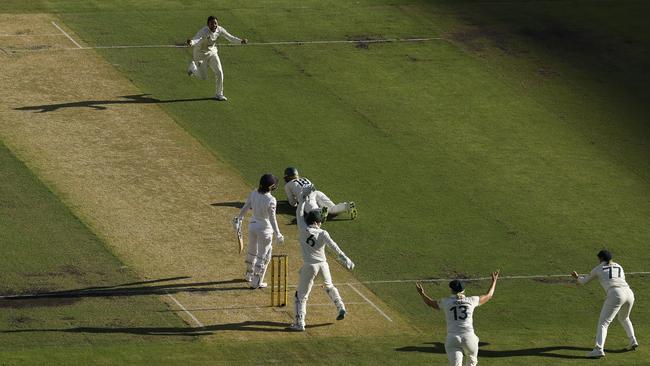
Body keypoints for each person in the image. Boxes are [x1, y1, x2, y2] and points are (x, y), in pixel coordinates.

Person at [288, 188, 355, 331]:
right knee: (329, 287)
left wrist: (302, 201)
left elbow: (299, 213)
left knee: (301, 296)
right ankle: (341, 306)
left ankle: (300, 323)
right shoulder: (323, 233)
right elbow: (334, 246)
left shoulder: (302, 228)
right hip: (323, 265)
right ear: (318, 222)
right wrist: (345, 258)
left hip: (310, 266)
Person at [416, 271, 499, 366]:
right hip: (469, 338)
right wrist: (494, 281)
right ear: (463, 290)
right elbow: (489, 295)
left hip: (452, 339)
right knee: (472, 362)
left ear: (451, 290)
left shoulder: (446, 302)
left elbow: (430, 303)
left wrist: (422, 293)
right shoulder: (472, 300)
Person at [571, 250, 638, 358]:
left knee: (603, 323)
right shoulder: (619, 266)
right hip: (629, 293)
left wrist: (577, 277)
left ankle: (598, 349)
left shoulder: (598, 268)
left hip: (616, 293)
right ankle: (632, 340)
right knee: (624, 318)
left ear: (601, 258)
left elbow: (583, 281)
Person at [234, 174, 284, 289]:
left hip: (253, 226)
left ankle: (248, 274)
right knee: (264, 256)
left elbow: (246, 206)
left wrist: (239, 218)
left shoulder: (254, 192)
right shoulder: (271, 200)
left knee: (252, 250)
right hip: (265, 230)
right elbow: (272, 218)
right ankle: (256, 281)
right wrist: (278, 234)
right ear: (271, 186)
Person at [186, 15, 248, 101]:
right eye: (212, 24)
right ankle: (192, 68)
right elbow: (196, 39)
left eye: (215, 23)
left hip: (212, 53)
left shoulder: (220, 29)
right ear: (208, 25)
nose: (214, 25)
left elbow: (230, 37)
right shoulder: (203, 31)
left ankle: (219, 94)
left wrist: (240, 41)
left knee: (219, 72)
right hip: (200, 54)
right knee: (203, 77)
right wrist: (191, 42)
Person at [283, 166, 356, 221]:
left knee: (314, 214)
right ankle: (347, 206)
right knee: (333, 209)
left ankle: (322, 211)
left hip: (307, 198)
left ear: (288, 177)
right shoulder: (305, 178)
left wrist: (297, 201)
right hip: (317, 193)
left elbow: (292, 203)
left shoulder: (288, 185)